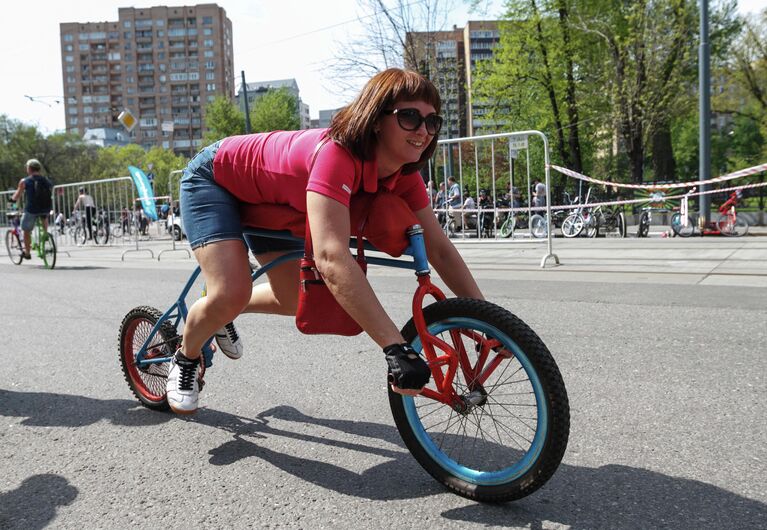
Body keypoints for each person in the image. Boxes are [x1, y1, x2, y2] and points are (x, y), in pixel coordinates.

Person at [167, 68, 485, 414]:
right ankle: (186, 358)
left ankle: (219, 310)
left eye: (432, 121)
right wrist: (395, 347)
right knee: (229, 293)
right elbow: (331, 258)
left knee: (291, 300)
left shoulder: (404, 174)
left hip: (275, 201)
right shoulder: (336, 155)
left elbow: (439, 248)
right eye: (410, 117)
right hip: (214, 179)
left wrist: (487, 319)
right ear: (376, 119)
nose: (423, 130)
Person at [10, 159, 53, 259]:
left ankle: (27, 253)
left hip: (31, 210)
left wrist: (11, 200)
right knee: (44, 215)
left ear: (29, 169)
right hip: (45, 208)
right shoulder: (45, 180)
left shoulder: (25, 181)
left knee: (26, 230)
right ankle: (45, 235)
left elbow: (17, 195)